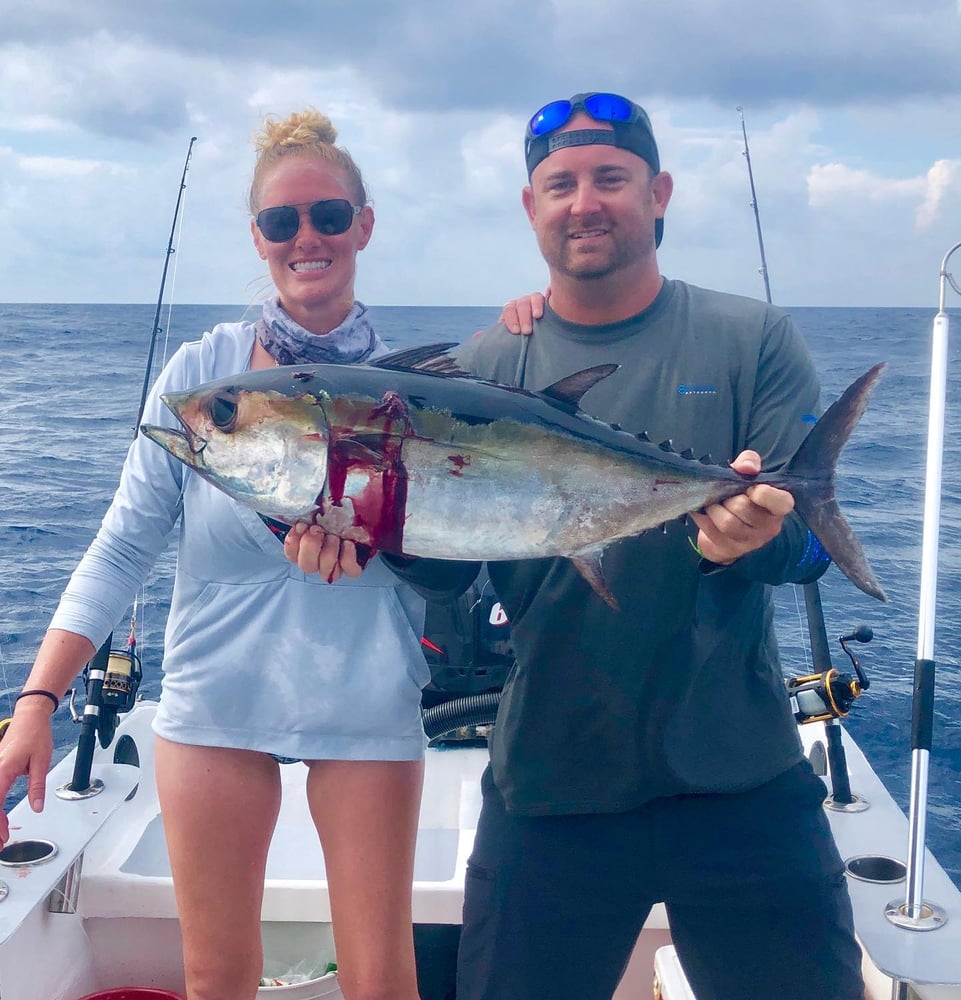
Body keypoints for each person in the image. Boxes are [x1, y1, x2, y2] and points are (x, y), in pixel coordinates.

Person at [292, 92, 866, 999]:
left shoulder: (749, 337)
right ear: (531, 208)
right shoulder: (485, 362)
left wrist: (750, 540)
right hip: (550, 789)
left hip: (740, 776)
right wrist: (379, 533)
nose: (582, 202)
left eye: (610, 178)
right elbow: (448, 579)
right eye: (558, 184)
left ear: (659, 193)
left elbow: (805, 559)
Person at [0, 109, 432, 1000]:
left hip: (366, 694)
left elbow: (447, 556)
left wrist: (380, 561)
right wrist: (39, 699)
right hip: (213, 700)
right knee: (214, 976)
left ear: (364, 224)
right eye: (282, 222)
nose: (305, 237)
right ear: (259, 237)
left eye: (328, 215)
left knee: (384, 979)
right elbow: (124, 543)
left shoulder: (416, 387)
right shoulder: (208, 383)